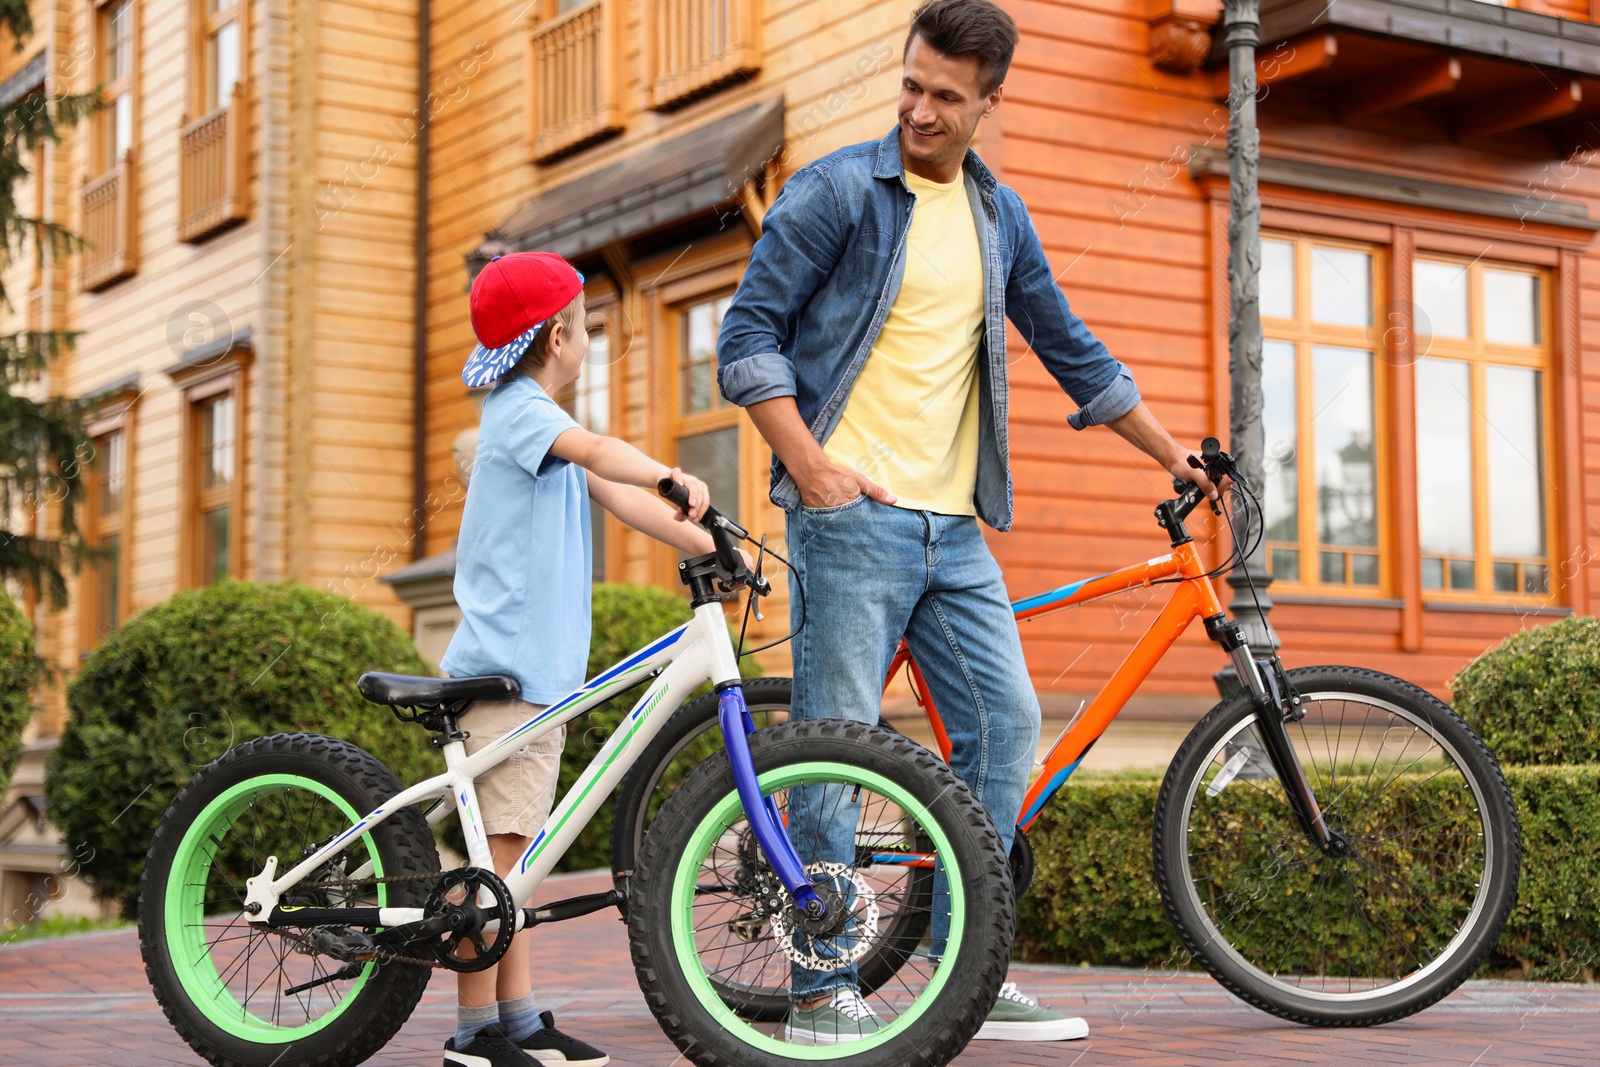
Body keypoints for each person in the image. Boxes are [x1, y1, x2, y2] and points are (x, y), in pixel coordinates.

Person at [715, 0, 1218, 1046]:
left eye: (947, 96)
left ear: (991, 102)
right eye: (911, 85)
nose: (921, 111)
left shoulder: (999, 219)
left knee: (1005, 729)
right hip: (851, 515)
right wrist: (809, 467)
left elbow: (1069, 346)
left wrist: (1173, 453)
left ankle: (964, 969)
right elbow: (748, 335)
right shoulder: (837, 192)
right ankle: (819, 983)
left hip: (955, 526)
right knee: (841, 746)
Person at [438, 251, 732, 1067]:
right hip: (505, 678)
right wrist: (672, 471)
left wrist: (708, 543)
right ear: (560, 334)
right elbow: (609, 458)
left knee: (520, 861)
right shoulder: (521, 412)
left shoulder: (542, 430)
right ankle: (472, 1037)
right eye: (586, 327)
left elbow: (619, 494)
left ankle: (520, 1019)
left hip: (536, 681)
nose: (589, 341)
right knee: (500, 859)